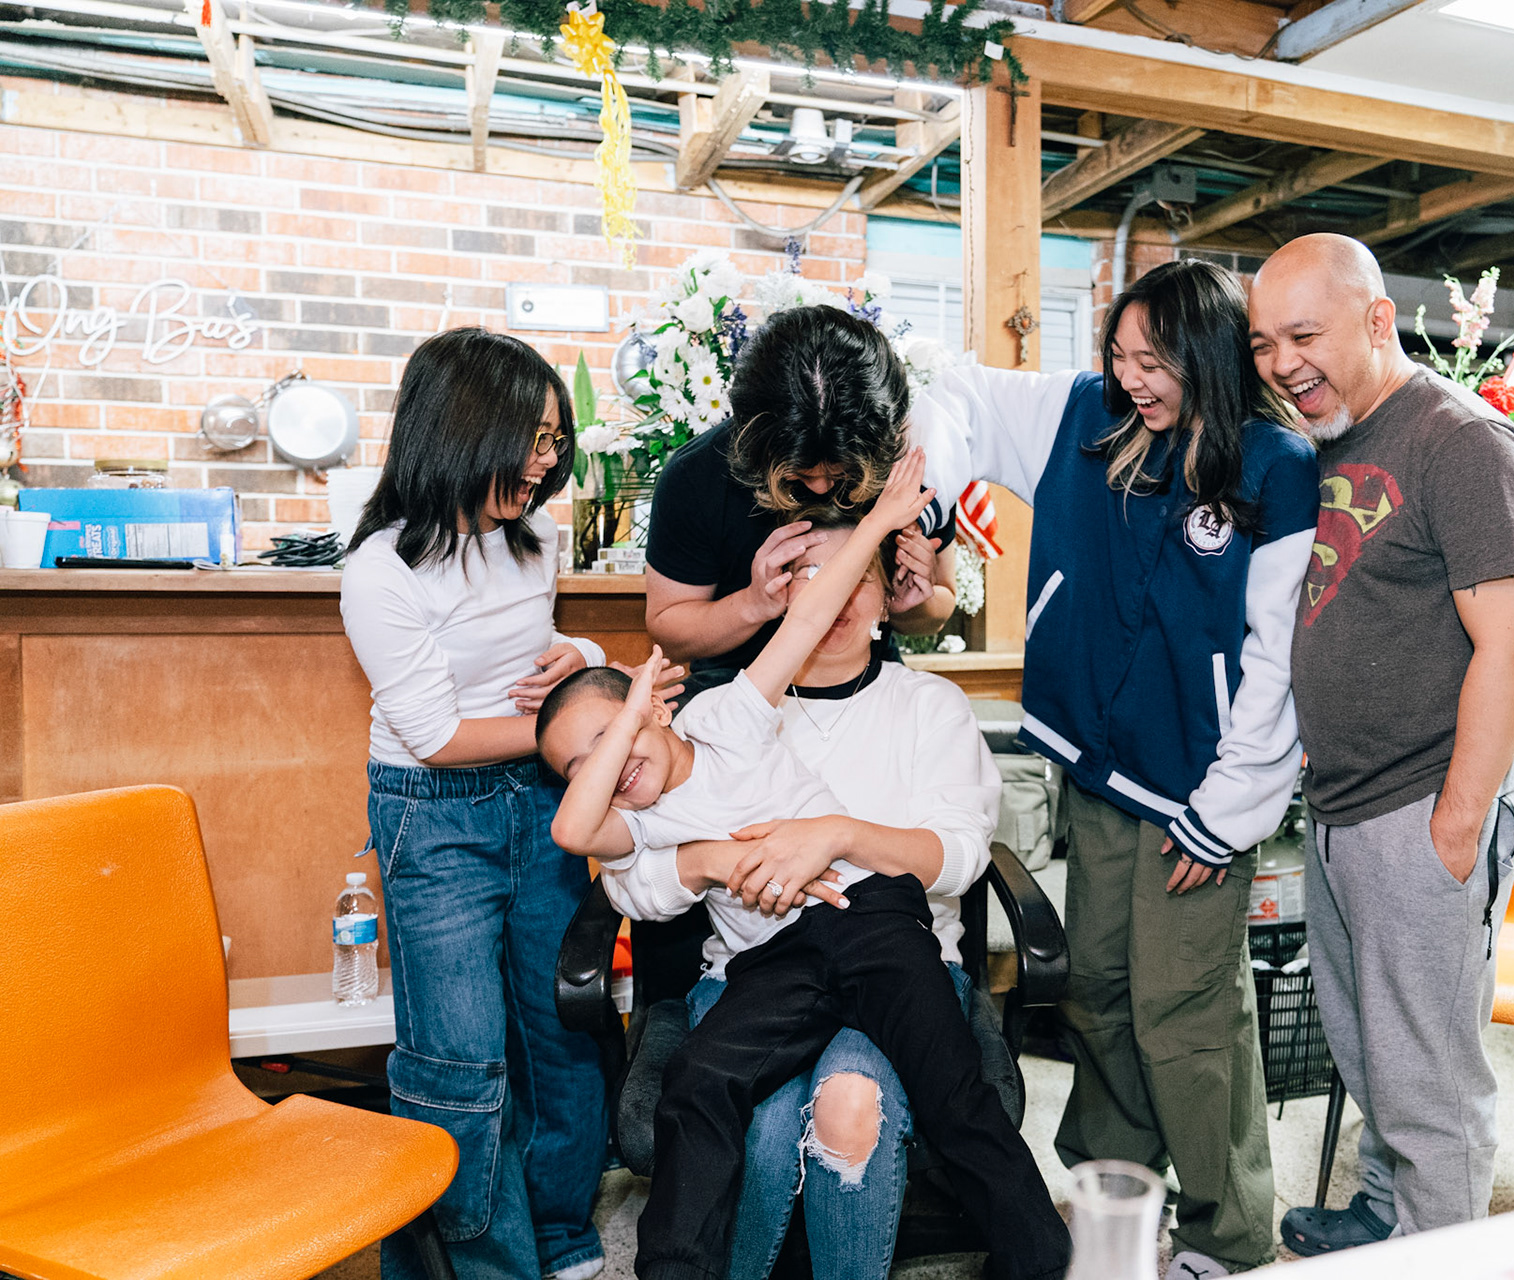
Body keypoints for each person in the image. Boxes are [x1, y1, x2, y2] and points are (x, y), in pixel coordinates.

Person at [535, 452, 1072, 1280]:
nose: (610, 762)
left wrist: (882, 520)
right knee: (698, 1082)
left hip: (872, 923)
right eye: (587, 764)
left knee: (951, 1094)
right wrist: (682, 818)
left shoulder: (733, 719)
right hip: (770, 960)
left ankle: (1039, 1260)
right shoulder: (640, 808)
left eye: (614, 740)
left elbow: (813, 612)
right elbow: (578, 831)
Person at [912, 258, 1319, 1278]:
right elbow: (954, 390)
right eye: (1121, 355)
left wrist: (1227, 813)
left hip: (1201, 789)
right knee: (1094, 987)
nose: (1132, 378)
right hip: (1100, 765)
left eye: (1155, 361)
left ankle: (1228, 1231)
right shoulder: (1086, 414)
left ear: (1209, 356)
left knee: (1183, 1010)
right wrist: (934, 497)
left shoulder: (1275, 465)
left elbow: (1277, 661)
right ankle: (1116, 1189)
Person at [1246, 234, 1514, 1250]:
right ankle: (1387, 1212)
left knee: (1430, 1077)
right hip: (1344, 806)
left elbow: (1509, 644)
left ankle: (1440, 1254)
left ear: (1378, 319)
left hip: (1423, 802)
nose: (1283, 364)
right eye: (1264, 344)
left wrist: (1457, 823)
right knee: (1372, 1049)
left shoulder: (1460, 442)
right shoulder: (1325, 440)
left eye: (1303, 336)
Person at [339, 327, 619, 1280]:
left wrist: (583, 659)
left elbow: (540, 651)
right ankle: (476, 1264)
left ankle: (562, 1232)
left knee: (561, 1025)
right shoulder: (382, 570)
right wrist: (582, 728)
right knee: (458, 1057)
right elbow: (437, 734)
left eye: (554, 440)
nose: (546, 462)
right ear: (462, 429)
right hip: (435, 814)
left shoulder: (533, 542)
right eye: (532, 439)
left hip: (541, 803)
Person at [644, 305, 968, 699]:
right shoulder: (696, 476)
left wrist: (909, 604)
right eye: (799, 473)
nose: (819, 487)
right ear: (751, 434)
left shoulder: (913, 469)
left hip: (864, 685)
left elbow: (938, 609)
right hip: (733, 685)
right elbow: (669, 631)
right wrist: (751, 605)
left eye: (841, 473)